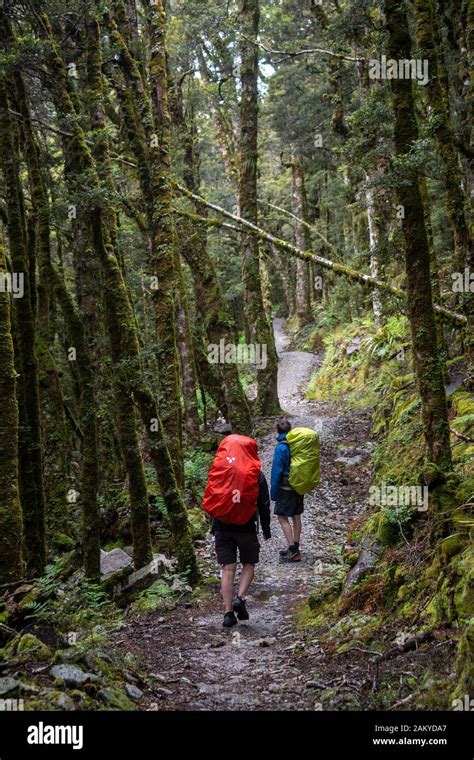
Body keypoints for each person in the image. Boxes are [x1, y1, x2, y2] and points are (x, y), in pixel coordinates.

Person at [204, 435, 271, 628]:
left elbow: (212, 495)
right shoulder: (255, 473)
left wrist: (213, 524)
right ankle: (240, 598)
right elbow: (264, 504)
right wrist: (266, 530)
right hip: (246, 526)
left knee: (228, 568)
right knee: (249, 563)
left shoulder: (219, 468)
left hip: (222, 526)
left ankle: (227, 613)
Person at [270, 419, 303, 562]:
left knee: (282, 517)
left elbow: (277, 471)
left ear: (278, 431)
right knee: (296, 515)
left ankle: (292, 550)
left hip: (286, 487)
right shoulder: (297, 443)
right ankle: (296, 545)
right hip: (299, 485)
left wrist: (273, 492)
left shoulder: (280, 448)